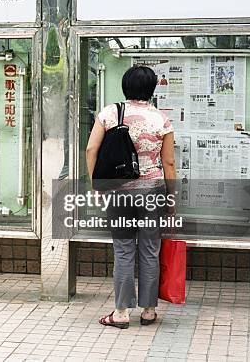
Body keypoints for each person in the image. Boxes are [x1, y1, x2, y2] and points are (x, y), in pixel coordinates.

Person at [86, 66, 177, 329]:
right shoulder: (161, 119)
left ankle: (121, 313)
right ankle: (148, 311)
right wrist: (171, 199)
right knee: (150, 250)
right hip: (152, 192)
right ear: (152, 89)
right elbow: (168, 163)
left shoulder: (109, 113)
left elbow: (91, 148)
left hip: (118, 192)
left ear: (125, 86)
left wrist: (98, 184)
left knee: (124, 250)